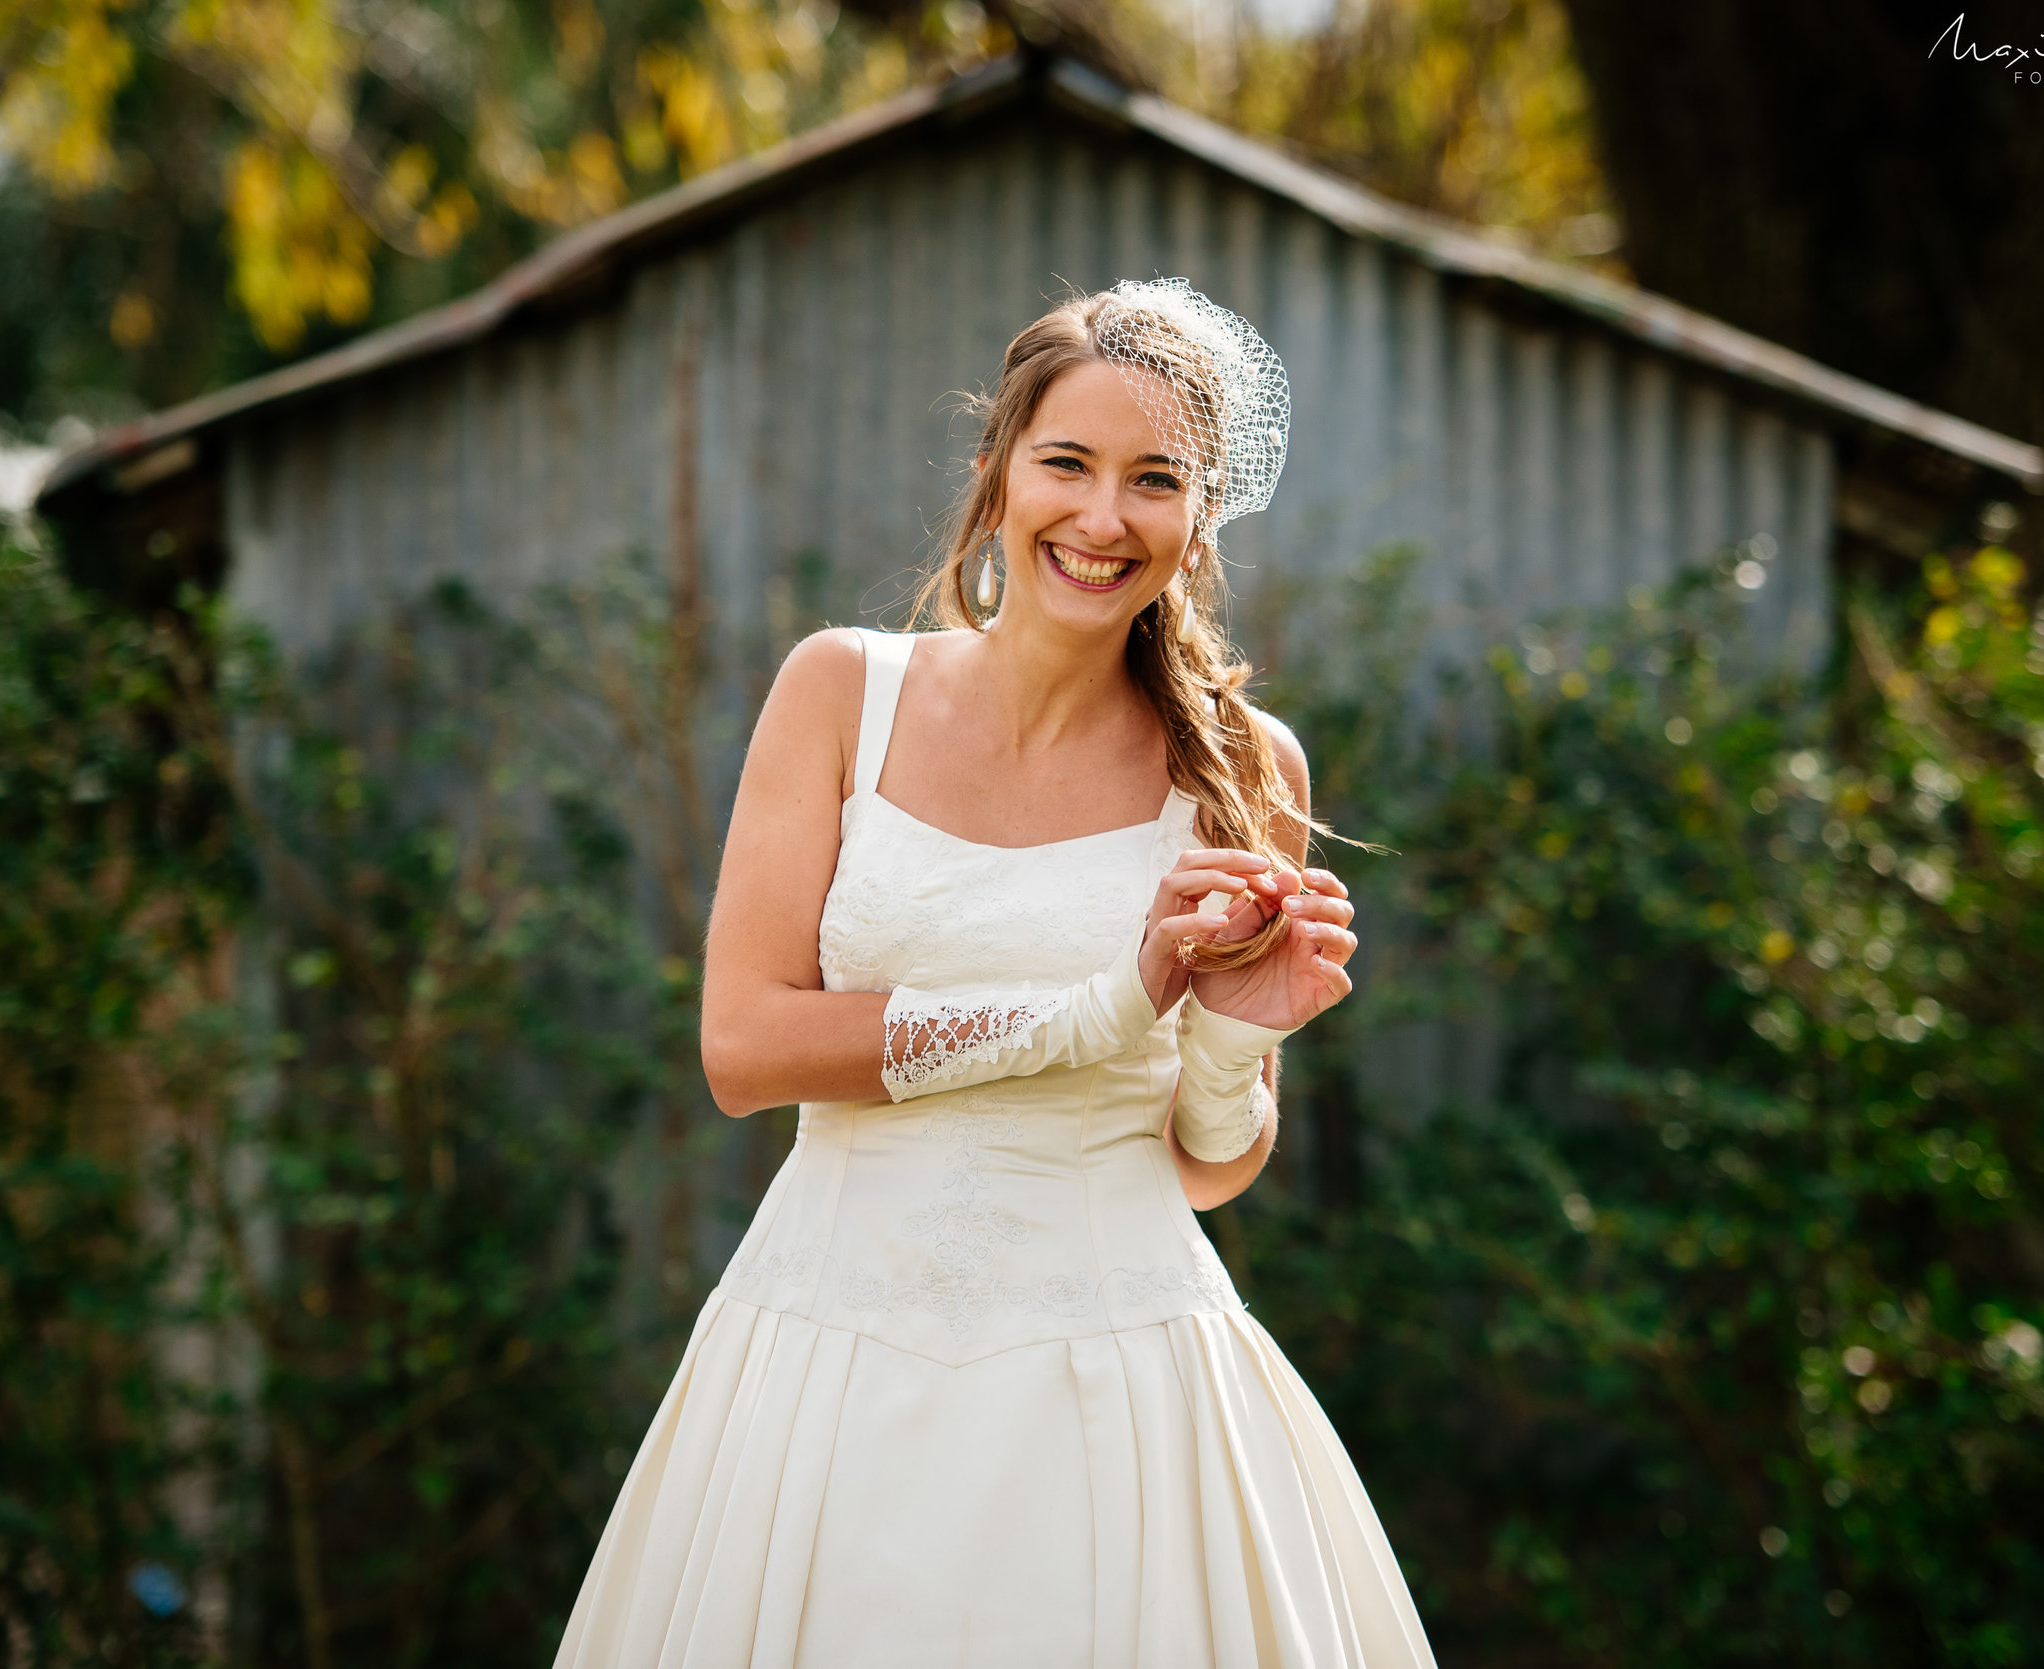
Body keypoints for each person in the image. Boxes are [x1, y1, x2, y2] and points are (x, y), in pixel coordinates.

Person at [553, 279, 1434, 1668]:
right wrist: (1100, 1005)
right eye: (1067, 463)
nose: (1103, 516)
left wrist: (1221, 1039)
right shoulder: (842, 691)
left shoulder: (1250, 770)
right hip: (831, 1347)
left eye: (1156, 480)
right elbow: (744, 1047)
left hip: (1124, 1369)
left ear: (1201, 520)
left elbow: (1208, 1160)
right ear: (995, 475)